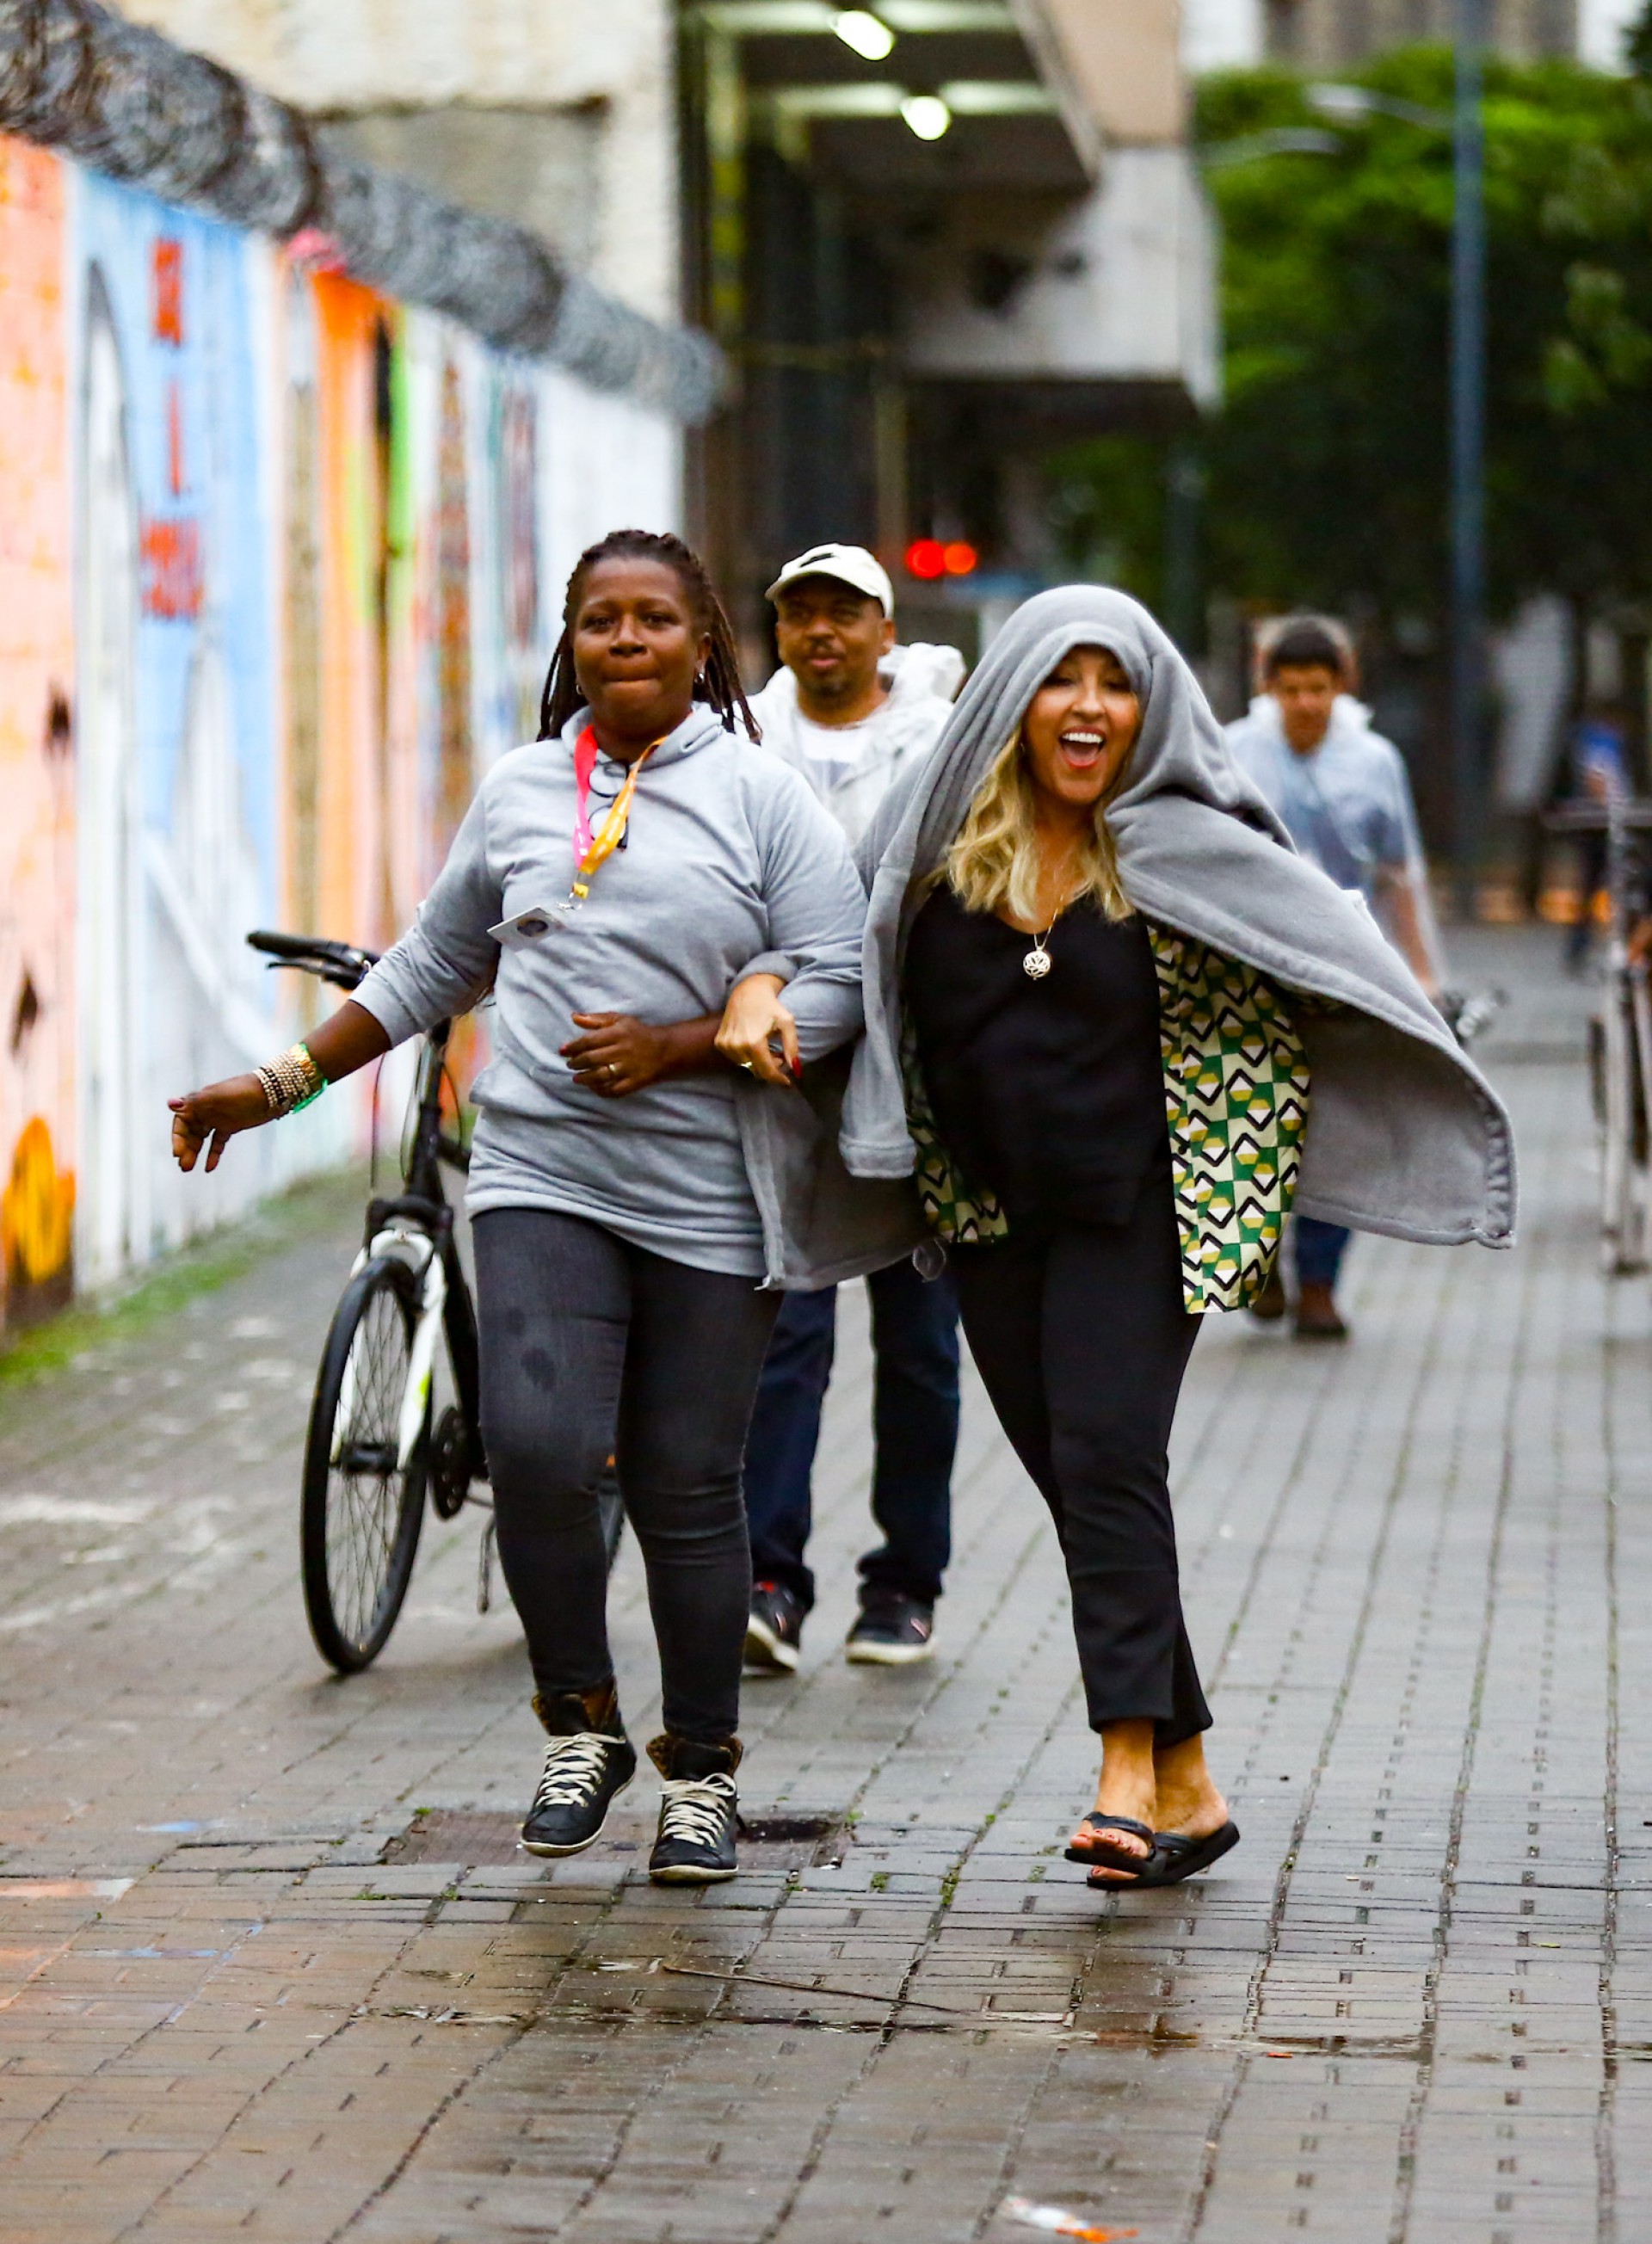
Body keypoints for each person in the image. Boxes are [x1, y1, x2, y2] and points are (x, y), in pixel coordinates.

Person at [167, 527, 890, 1888]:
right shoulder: (518, 791)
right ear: (573, 643)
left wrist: (683, 1044)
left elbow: (842, 976)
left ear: (703, 642)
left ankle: (701, 1773)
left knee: (685, 1480)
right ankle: (583, 1724)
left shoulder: (762, 796)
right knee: (540, 1449)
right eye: (601, 619)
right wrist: (274, 1087)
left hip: (713, 1191)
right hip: (541, 1170)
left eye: (654, 618)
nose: (627, 638)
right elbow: (431, 963)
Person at [840, 584, 1513, 1888]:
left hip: (1143, 1221)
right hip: (989, 1223)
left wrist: (1251, 1188)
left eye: (1118, 683)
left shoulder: (1186, 854)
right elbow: (859, 984)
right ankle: (1193, 1785)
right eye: (1063, 678)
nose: (1090, 707)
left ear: (1152, 710)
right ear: (1014, 699)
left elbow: (1304, 989)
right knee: (1091, 1487)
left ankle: (1124, 1776)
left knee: (1105, 1457)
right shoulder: (934, 851)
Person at [741, 545, 964, 1670]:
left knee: (919, 1346)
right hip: (779, 1080)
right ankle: (767, 1580)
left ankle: (904, 1586)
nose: (821, 629)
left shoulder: (942, 742)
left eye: (844, 611)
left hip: (915, 1085)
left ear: (886, 628)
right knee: (783, 1336)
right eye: (801, 612)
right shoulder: (742, 743)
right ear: (778, 631)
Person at [1225, 615, 1444, 1339]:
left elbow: (1399, 870)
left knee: (1337, 1126)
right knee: (1251, 1114)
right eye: (1291, 690)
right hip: (1253, 962)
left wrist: (1420, 971)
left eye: (1318, 689)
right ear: (1269, 688)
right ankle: (1255, 1260)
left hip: (1346, 964)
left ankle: (1319, 1283)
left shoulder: (1375, 760)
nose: (1306, 704)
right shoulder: (1232, 751)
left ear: (1341, 687)